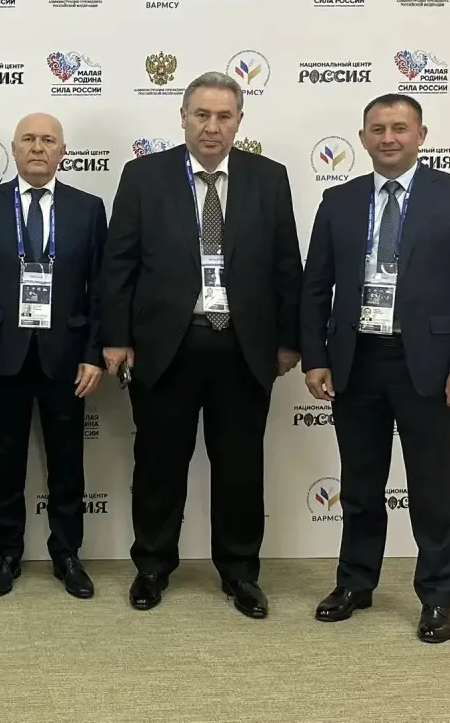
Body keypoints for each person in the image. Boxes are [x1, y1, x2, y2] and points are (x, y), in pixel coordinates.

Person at [100, 70, 302, 618]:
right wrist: (116, 337)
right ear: (183, 118)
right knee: (158, 464)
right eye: (202, 115)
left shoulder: (269, 177)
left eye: (224, 116)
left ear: (239, 122)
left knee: (240, 469)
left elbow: (287, 264)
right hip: (166, 347)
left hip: (244, 348)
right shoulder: (144, 176)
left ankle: (240, 573)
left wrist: (289, 341)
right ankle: (152, 566)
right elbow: (118, 264)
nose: (212, 127)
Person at [301, 93, 450, 645]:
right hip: (356, 361)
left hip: (429, 367)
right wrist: (315, 357)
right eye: (378, 129)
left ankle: (437, 596)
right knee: (360, 486)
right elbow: (315, 287)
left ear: (421, 135)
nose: (388, 138)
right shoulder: (338, 201)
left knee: (431, 490)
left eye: (400, 128)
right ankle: (355, 583)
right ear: (363, 137)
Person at [0, 112, 107, 599]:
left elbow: (100, 290)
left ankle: (67, 554)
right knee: (5, 460)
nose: (38, 147)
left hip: (66, 357)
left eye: (48, 140)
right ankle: (8, 552)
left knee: (67, 460)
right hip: (1, 357)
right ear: (13, 149)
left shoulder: (88, 209)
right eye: (28, 139)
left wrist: (94, 354)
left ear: (63, 151)